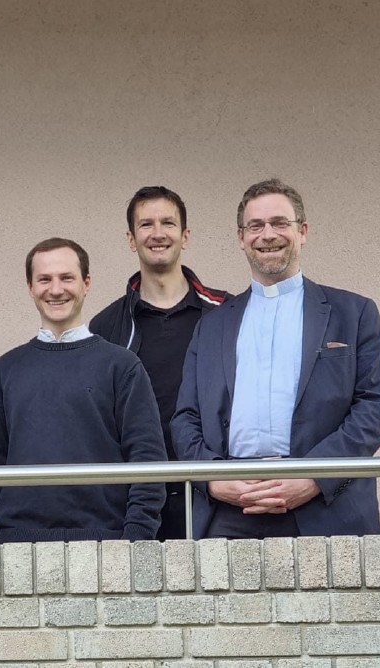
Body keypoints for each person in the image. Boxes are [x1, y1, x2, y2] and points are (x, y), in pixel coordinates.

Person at [171, 178, 380, 539]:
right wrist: (213, 478)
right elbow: (185, 418)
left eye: (279, 223)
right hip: (229, 511)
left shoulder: (354, 313)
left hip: (326, 507)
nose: (267, 235)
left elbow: (374, 406)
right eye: (255, 226)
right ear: (241, 237)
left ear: (302, 231)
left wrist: (315, 477)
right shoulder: (211, 326)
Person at [0, 238, 167, 543]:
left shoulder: (122, 366)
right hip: (17, 545)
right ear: (30, 287)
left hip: (106, 543)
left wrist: (134, 543)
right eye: (44, 279)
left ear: (86, 283)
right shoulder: (4, 371)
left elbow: (148, 461)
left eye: (67, 278)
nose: (56, 289)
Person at [90, 186, 229, 539]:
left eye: (168, 223)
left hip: (216, 496)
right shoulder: (107, 326)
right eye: (146, 224)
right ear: (131, 239)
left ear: (185, 235)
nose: (157, 233)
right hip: (137, 502)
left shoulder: (228, 313)